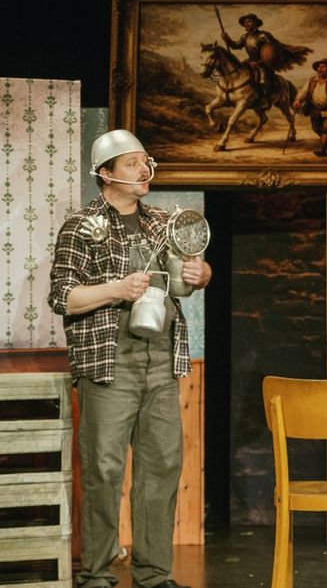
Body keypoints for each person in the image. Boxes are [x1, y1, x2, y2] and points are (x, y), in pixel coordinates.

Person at [48, 129, 211, 588]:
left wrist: (201, 273)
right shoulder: (82, 226)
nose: (145, 170)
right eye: (133, 163)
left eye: (146, 161)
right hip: (108, 361)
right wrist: (117, 289)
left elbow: (191, 276)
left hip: (159, 359)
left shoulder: (163, 221)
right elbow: (63, 296)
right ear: (106, 173)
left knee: (162, 467)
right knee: (104, 469)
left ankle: (154, 574)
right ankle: (97, 574)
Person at [221, 13, 311, 94]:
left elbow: (275, 48)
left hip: (263, 63)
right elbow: (235, 46)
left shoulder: (263, 35)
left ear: (255, 23)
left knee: (264, 81)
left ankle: (267, 98)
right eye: (245, 22)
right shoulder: (244, 37)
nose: (246, 24)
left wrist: (260, 62)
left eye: (249, 22)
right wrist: (227, 39)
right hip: (249, 62)